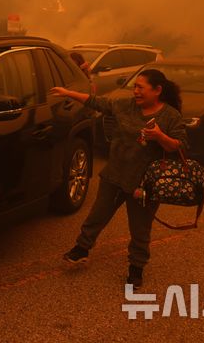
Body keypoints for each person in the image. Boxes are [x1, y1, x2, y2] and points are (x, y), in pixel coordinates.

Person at [50, 68, 188, 289]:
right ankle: (81, 249)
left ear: (157, 90)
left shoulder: (170, 116)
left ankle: (136, 269)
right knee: (97, 215)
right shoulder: (125, 106)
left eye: (140, 87)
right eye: (134, 87)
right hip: (115, 175)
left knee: (140, 229)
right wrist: (68, 93)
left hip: (145, 185)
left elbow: (180, 147)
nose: (135, 92)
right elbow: (98, 102)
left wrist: (160, 136)